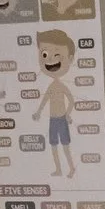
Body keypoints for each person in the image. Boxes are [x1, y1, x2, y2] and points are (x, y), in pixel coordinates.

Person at [30, 28, 78, 178]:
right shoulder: (51, 86)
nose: (50, 59)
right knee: (54, 146)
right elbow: (45, 100)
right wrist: (38, 112)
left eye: (57, 54)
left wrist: (68, 114)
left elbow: (71, 100)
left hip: (61, 119)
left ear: (69, 59)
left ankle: (71, 168)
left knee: (65, 146)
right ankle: (58, 169)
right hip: (52, 119)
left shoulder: (62, 86)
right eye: (45, 55)